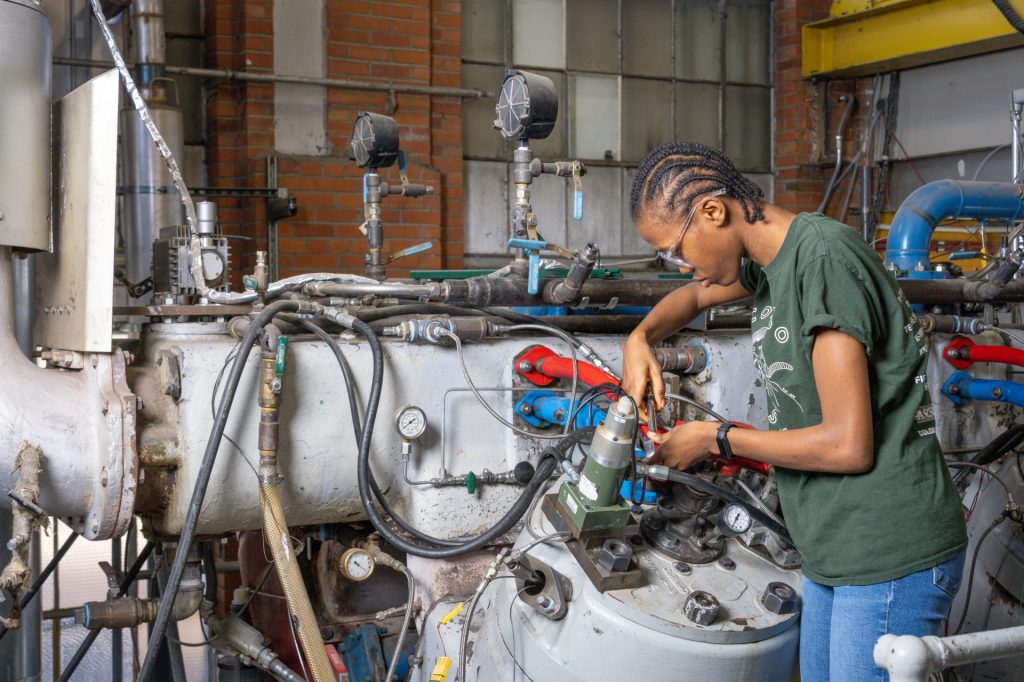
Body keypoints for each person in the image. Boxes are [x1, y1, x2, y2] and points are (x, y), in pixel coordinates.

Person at [621, 141, 967, 681]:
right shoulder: (769, 265)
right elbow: (690, 299)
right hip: (833, 548)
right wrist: (638, 338)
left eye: (677, 250)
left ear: (713, 211)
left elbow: (847, 444)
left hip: (887, 553)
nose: (683, 265)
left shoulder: (822, 261)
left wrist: (716, 438)